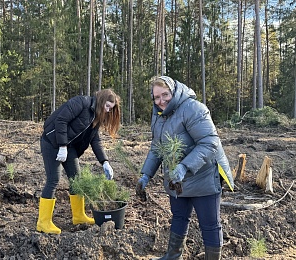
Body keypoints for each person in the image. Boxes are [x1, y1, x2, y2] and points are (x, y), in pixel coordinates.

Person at [136, 76, 234, 260]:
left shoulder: (193, 108)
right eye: (156, 97)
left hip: (204, 175)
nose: (161, 101)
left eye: (165, 95)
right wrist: (146, 175)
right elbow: (157, 147)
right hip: (177, 180)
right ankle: (173, 256)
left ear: (174, 92)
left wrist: (184, 166)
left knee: (210, 223)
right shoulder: (158, 115)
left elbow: (209, 142)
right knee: (179, 217)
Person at [37, 88, 121, 234]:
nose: (108, 110)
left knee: (77, 179)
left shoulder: (96, 117)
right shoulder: (81, 103)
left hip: (68, 146)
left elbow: (95, 141)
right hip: (51, 142)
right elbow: (61, 120)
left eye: (110, 108)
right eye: (107, 106)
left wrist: (105, 162)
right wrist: (62, 146)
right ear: (101, 101)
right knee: (53, 179)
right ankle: (43, 222)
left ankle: (79, 216)